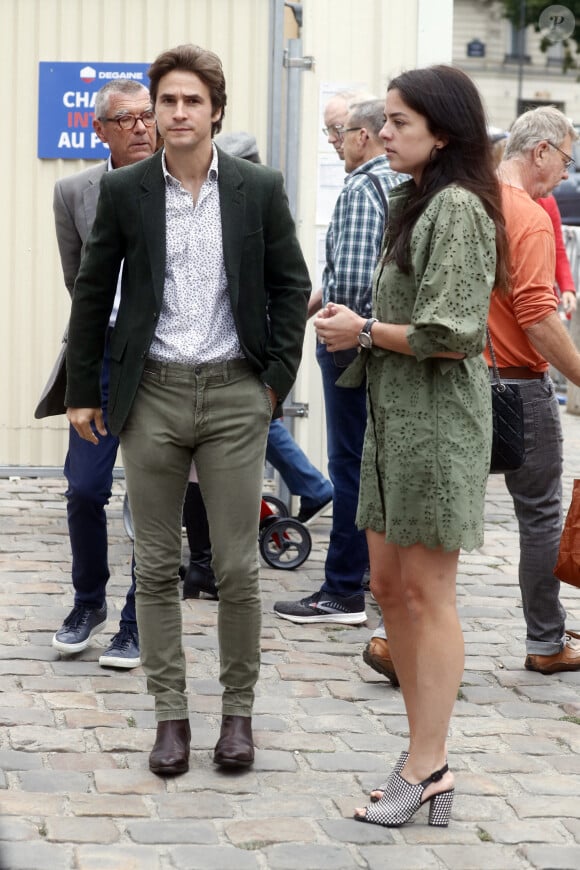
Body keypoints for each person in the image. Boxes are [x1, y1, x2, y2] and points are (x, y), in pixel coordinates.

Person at [64, 43, 310, 777]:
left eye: (190, 100)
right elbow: (91, 290)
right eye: (166, 100)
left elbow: (290, 286)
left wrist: (273, 382)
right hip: (155, 395)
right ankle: (170, 718)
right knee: (157, 563)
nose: (176, 113)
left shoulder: (257, 189)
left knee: (236, 565)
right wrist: (83, 389)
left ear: (215, 110)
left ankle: (238, 716)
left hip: (237, 391)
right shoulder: (127, 191)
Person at [314, 65, 509, 828]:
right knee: (390, 590)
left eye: (397, 122)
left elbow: (453, 333)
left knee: (429, 596)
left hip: (436, 427)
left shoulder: (457, 207)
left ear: (443, 131)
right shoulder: (411, 199)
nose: (381, 132)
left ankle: (430, 764)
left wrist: (360, 330)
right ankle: (416, 754)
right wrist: (351, 318)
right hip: (395, 417)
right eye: (384, 120)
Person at [180, 131, 332, 601]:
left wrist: (275, 375)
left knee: (251, 438)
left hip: (248, 353)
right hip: (208, 359)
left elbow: (288, 283)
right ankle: (207, 562)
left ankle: (220, 562)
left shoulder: (257, 202)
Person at [273, 98, 407, 625]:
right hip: (387, 345)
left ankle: (341, 591)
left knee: (349, 465)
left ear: (364, 136)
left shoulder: (361, 187)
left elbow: (348, 285)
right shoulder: (398, 184)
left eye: (341, 132)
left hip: (353, 348)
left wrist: (334, 333)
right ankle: (377, 579)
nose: (336, 142)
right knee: (377, 466)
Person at [51, 80, 157, 669]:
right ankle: (87, 601)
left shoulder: (178, 182)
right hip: (103, 357)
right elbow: (79, 284)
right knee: (85, 487)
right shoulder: (74, 191)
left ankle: (137, 622)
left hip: (163, 357)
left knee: (151, 496)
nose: (142, 127)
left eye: (147, 116)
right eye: (126, 119)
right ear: (100, 130)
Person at [485, 105, 580, 675]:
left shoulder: (467, 197)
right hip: (519, 384)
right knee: (541, 514)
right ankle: (546, 643)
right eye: (565, 160)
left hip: (457, 378)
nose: (565, 176)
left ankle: (395, 637)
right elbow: (539, 315)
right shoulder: (529, 212)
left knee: (438, 514)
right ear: (540, 150)